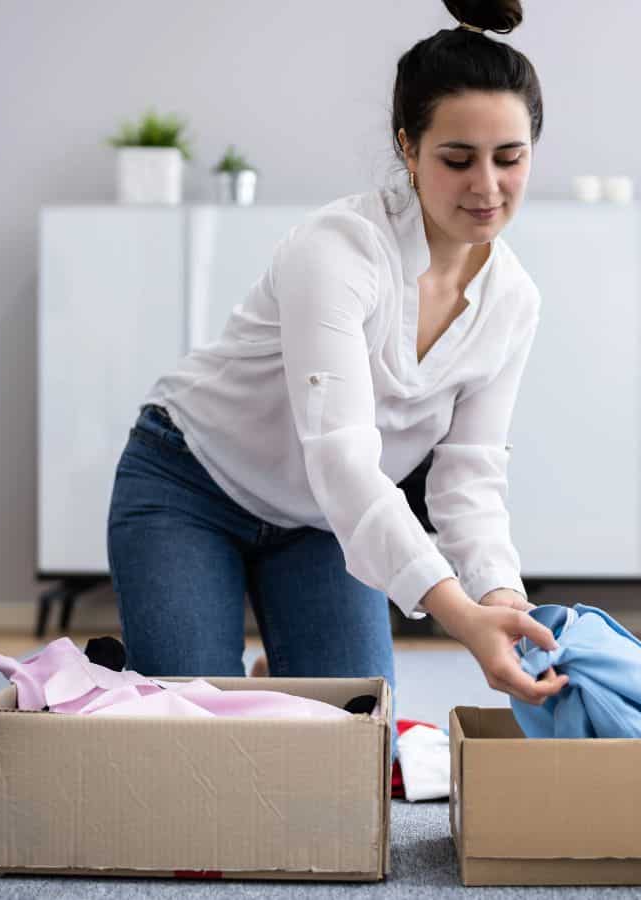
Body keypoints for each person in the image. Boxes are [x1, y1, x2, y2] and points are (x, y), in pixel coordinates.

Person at [105, 0, 567, 708]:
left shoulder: (514, 301)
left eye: (510, 158)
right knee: (190, 729)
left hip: (322, 527)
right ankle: (186, 677)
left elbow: (468, 480)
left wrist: (502, 603)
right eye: (457, 158)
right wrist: (460, 616)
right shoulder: (338, 251)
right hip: (190, 486)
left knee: (354, 734)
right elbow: (344, 462)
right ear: (408, 149)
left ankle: (274, 677)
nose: (487, 186)